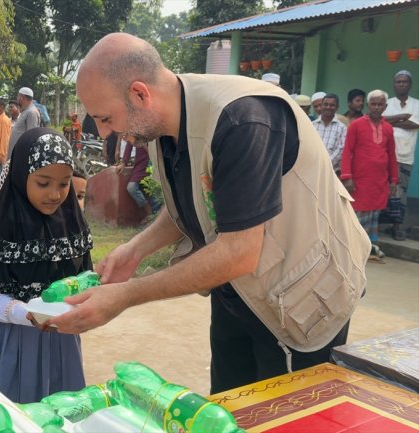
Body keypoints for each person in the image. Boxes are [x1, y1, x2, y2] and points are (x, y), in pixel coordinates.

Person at [49, 33, 370, 394]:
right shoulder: (160, 126)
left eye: (105, 118)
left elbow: (238, 251)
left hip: (300, 296)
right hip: (240, 294)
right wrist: (135, 250)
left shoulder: (242, 120)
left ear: (140, 94)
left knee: (285, 415)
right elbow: (193, 205)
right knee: (231, 406)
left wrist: (126, 295)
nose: (107, 132)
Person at [0, 128, 90, 403]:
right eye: (43, 183)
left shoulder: (72, 225)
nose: (55, 194)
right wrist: (27, 313)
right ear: (21, 177)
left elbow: (83, 279)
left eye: (64, 183)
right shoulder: (1, 228)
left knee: (60, 414)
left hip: (62, 341)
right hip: (13, 341)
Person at [342, 90, 398, 258]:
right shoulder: (357, 125)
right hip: (360, 180)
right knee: (358, 215)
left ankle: (369, 248)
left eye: (380, 104)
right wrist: (347, 176)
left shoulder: (388, 128)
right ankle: (352, 250)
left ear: (385, 107)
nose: (376, 107)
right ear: (368, 105)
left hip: (379, 182)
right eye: (373, 104)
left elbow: (391, 155)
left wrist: (393, 180)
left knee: (374, 215)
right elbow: (347, 151)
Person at [383, 70, 418, 241]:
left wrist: (392, 120)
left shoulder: (416, 104)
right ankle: (379, 225)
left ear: (410, 84)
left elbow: (414, 124)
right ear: (394, 84)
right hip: (384, 155)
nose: (401, 84)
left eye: (405, 82)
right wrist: (401, 117)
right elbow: (380, 120)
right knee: (382, 190)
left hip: (405, 156)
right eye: (398, 82)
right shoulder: (386, 103)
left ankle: (397, 227)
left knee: (400, 192)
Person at [116, 134, 155, 222]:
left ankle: (155, 215)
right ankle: (148, 211)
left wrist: (140, 142)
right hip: (140, 164)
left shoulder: (148, 128)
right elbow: (129, 146)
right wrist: (123, 163)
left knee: (153, 190)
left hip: (153, 162)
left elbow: (152, 151)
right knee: (131, 187)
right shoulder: (134, 128)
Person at [312, 93, 347, 173]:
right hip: (312, 168)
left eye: (332, 105)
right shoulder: (312, 125)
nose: (328, 107)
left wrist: (326, 164)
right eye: (325, 104)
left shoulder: (342, 128)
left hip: (332, 171)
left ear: (337, 108)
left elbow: (341, 149)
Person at [8, 87, 41, 155]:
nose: (17, 98)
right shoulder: (26, 111)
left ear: (22, 97)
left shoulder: (32, 112)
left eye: (18, 96)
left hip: (21, 153)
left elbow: (31, 136)